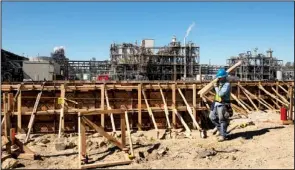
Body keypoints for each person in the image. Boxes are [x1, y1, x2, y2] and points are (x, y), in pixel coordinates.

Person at [209, 68, 233, 142]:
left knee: (222, 119)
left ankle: (223, 135)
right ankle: (220, 130)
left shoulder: (227, 84)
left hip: (223, 104)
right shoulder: (219, 83)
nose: (218, 78)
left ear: (224, 77)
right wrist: (214, 86)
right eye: (218, 77)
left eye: (220, 77)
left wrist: (216, 87)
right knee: (212, 117)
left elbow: (220, 94)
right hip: (216, 103)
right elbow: (215, 93)